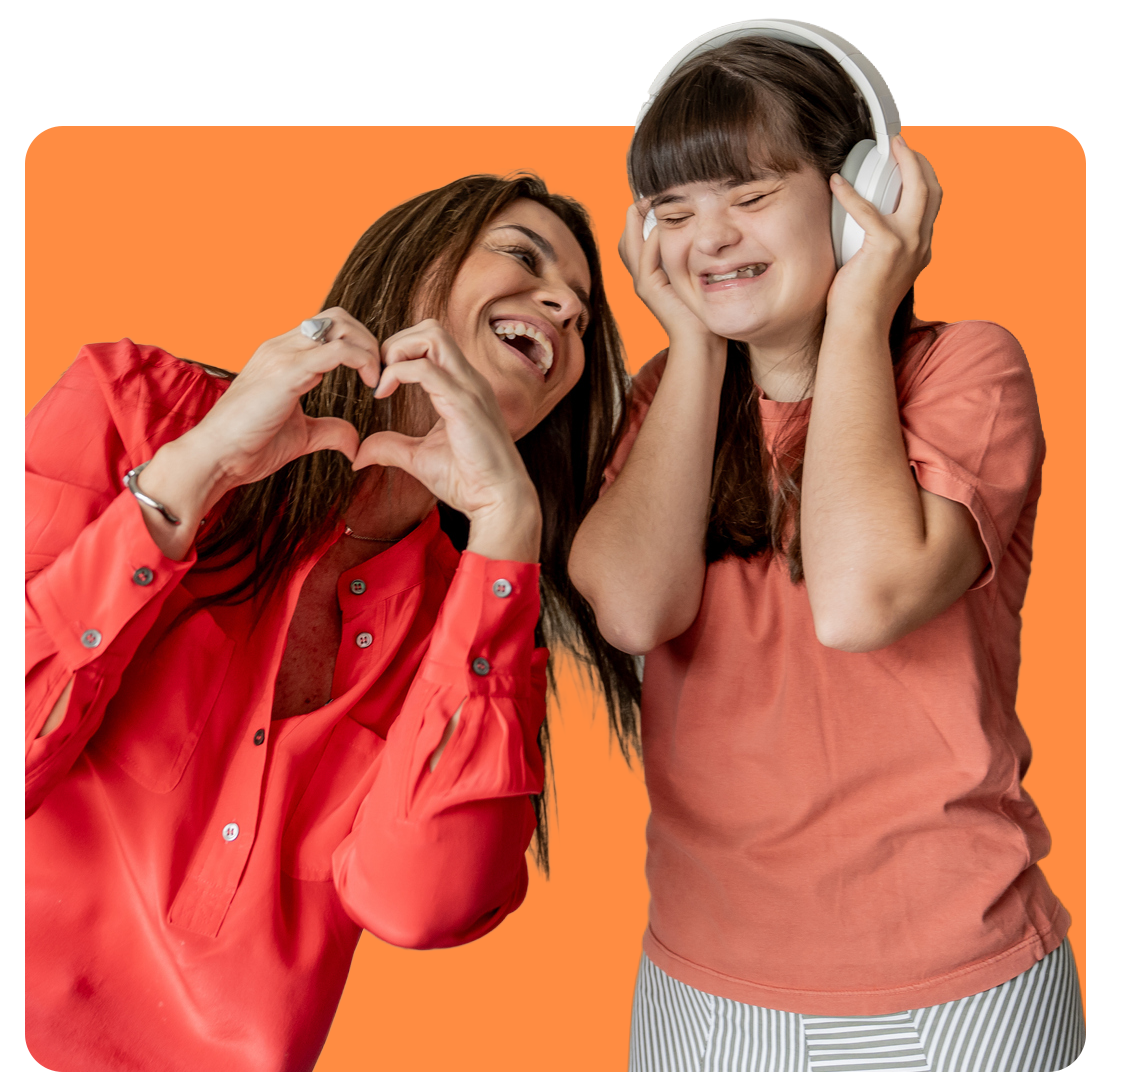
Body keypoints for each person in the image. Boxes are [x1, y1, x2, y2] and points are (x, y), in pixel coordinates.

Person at [25, 172, 640, 1072]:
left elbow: (418, 904)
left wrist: (508, 534)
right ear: (410, 266)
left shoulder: (473, 620)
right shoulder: (133, 409)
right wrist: (193, 475)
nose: (565, 307)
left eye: (581, 317)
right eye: (520, 254)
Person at [568, 24, 1085, 1073]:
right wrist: (700, 352)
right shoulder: (669, 404)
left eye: (748, 196)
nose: (707, 237)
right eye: (673, 211)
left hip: (962, 991)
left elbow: (859, 599)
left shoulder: (965, 372)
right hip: (706, 991)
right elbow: (630, 611)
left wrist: (860, 316)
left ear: (863, 192)